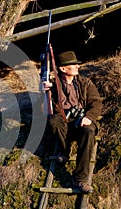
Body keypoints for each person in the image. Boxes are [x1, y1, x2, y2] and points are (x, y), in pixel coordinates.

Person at [43, 51, 102, 193]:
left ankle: (80, 179)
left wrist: (89, 117)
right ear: (63, 69)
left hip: (81, 122)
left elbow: (96, 103)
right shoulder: (53, 86)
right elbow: (44, 110)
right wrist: (43, 93)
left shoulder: (85, 83)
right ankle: (63, 151)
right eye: (73, 64)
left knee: (88, 132)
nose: (78, 66)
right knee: (53, 120)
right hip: (63, 124)